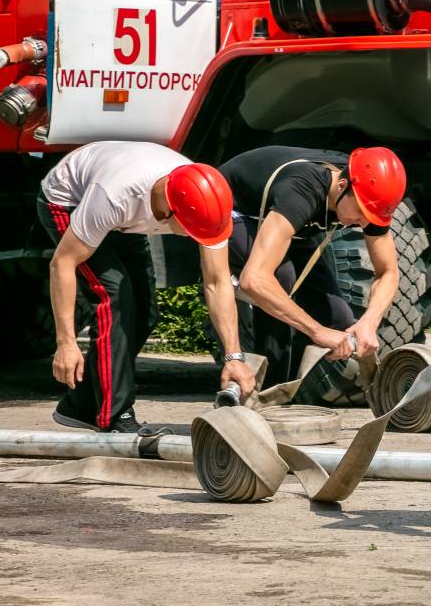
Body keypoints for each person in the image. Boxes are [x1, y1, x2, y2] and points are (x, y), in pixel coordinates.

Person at [39, 141, 254, 433]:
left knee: (145, 311)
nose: (196, 238)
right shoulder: (115, 197)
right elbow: (62, 264)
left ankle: (81, 405)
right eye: (192, 232)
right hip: (70, 199)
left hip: (123, 213)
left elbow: (217, 282)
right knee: (115, 296)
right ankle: (115, 417)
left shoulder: (205, 201)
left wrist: (234, 357)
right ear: (168, 213)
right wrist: (65, 343)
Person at [220, 145, 405, 385]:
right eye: (360, 213)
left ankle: (293, 383)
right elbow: (254, 279)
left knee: (338, 321)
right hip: (230, 210)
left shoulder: (368, 198)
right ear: (341, 186)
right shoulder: (301, 190)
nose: (362, 224)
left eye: (370, 218)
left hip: (286, 226)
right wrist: (317, 331)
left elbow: (388, 272)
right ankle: (263, 389)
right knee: (279, 276)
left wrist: (369, 322)